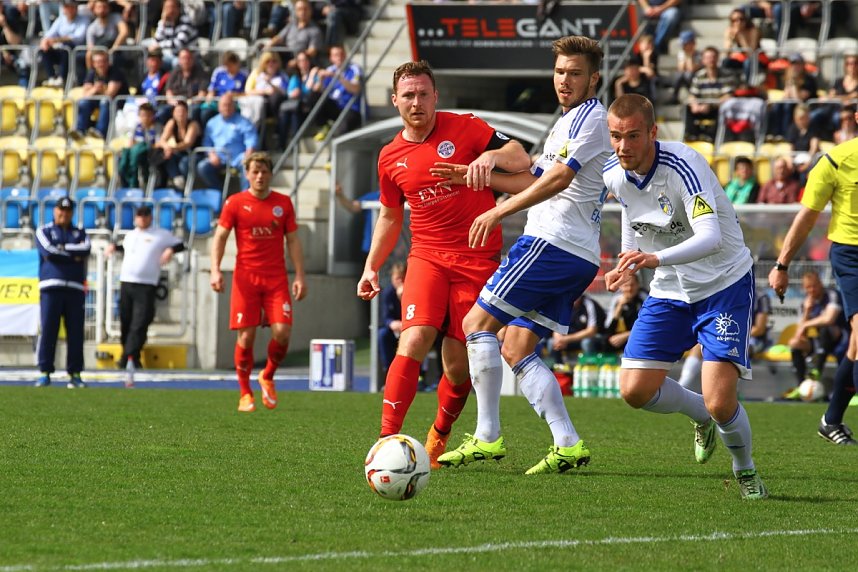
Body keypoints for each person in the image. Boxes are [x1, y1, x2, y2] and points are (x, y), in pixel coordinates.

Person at [435, 36, 611, 475]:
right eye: (559, 72)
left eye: (574, 73)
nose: (564, 80)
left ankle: (488, 437)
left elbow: (556, 182)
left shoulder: (592, 119)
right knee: (515, 345)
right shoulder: (567, 121)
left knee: (475, 324)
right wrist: (471, 178)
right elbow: (533, 179)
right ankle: (567, 443)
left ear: (594, 79)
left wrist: (498, 211)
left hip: (552, 245)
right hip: (573, 252)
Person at [356, 60, 530, 467]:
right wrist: (371, 266)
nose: (416, 102)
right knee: (414, 338)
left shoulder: (466, 127)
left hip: (477, 256)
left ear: (436, 97)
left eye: (423, 94)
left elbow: (520, 159)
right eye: (408, 95)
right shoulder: (388, 157)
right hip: (427, 257)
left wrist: (489, 160)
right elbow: (390, 216)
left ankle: (439, 433)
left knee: (456, 368)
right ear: (395, 101)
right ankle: (386, 443)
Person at [603, 93, 767, 500]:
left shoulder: (684, 164)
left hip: (723, 283)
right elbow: (629, 209)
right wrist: (627, 261)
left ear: (653, 133)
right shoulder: (615, 173)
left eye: (633, 136)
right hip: (671, 290)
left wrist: (652, 257)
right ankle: (699, 416)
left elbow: (710, 236)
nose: (623, 146)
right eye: (616, 137)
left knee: (720, 400)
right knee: (634, 391)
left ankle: (745, 471)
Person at [769, 124, 858, 445]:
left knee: (855, 346)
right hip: (852, 256)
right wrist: (781, 265)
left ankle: (831, 420)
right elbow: (807, 215)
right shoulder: (834, 161)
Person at [210, 151, 307, 412]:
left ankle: (267, 375)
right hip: (246, 278)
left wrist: (299, 274)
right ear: (247, 174)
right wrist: (215, 270)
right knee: (246, 336)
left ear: (270, 174)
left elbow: (294, 240)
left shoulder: (283, 203)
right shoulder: (235, 203)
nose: (260, 176)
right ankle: (245, 393)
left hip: (276, 278)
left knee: (283, 332)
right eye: (255, 171)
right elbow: (220, 237)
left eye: (264, 171)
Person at [105, 205, 185, 379]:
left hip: (146, 284)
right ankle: (133, 355)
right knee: (126, 321)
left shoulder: (160, 234)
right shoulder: (131, 235)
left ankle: (127, 357)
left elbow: (180, 244)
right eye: (139, 215)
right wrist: (114, 248)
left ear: (150, 217)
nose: (142, 218)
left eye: (145, 215)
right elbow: (125, 249)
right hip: (127, 282)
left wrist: (170, 250)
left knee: (140, 322)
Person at [34, 197, 91, 389]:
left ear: (72, 213)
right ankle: (45, 371)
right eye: (60, 210)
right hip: (51, 286)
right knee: (49, 330)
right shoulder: (43, 230)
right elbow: (48, 252)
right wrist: (72, 255)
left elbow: (85, 249)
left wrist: (63, 250)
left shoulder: (80, 231)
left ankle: (75, 373)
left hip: (75, 288)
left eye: (67, 211)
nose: (63, 214)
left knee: (75, 332)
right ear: (54, 211)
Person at [679, 289, 772, 390]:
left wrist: (734, 335)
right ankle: (683, 383)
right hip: (726, 335)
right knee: (698, 346)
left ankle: (726, 389)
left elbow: (759, 328)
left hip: (752, 339)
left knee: (736, 348)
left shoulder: (761, 297)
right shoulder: (725, 292)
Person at [783, 271, 845, 390]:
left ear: (820, 284)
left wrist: (806, 324)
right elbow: (799, 335)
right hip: (820, 342)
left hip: (839, 339)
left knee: (825, 329)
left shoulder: (831, 295)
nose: (811, 290)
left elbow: (829, 319)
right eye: (808, 287)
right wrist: (807, 311)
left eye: (814, 286)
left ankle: (817, 368)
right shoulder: (805, 303)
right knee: (795, 344)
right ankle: (801, 386)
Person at [197, 92, 259, 192]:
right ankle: (219, 193)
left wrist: (248, 154)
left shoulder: (244, 122)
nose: (226, 108)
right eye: (224, 105)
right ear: (219, 107)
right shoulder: (212, 123)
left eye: (229, 105)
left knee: (249, 166)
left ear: (234, 106)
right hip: (219, 157)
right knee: (202, 167)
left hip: (239, 157)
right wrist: (211, 155)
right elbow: (207, 142)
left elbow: (251, 140)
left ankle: (245, 196)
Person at [70, 48, 129, 140]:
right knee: (83, 102)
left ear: (108, 62)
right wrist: (95, 89)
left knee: (104, 102)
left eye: (103, 61)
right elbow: (85, 94)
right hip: (99, 100)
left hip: (117, 104)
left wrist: (98, 90)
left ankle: (100, 132)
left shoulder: (116, 73)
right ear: (93, 63)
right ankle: (79, 131)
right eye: (97, 62)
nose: (100, 64)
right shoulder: (92, 73)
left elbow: (110, 95)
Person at [685, 46, 738, 142]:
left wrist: (711, 105)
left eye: (713, 57)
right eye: (708, 57)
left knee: (723, 110)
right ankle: (692, 135)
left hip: (716, 108)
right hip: (701, 108)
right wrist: (694, 105)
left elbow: (728, 95)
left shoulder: (726, 75)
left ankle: (711, 137)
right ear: (703, 60)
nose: (711, 60)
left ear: (717, 59)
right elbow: (693, 94)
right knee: (687, 108)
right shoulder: (699, 76)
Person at [315, 44, 364, 140]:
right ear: (331, 58)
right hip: (336, 106)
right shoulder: (330, 69)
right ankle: (325, 125)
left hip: (351, 108)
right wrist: (320, 79)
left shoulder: (354, 69)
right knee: (314, 96)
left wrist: (339, 77)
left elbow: (356, 89)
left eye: (341, 54)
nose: (339, 57)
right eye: (336, 55)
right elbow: (319, 92)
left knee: (340, 133)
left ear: (345, 55)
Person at [38, 0, 88, 87]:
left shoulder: (84, 19)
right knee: (44, 49)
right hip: (61, 51)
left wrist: (57, 40)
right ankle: (51, 78)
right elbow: (49, 34)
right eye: (66, 7)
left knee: (67, 46)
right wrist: (45, 41)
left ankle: (61, 78)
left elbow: (78, 37)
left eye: (71, 7)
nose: (68, 10)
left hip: (75, 51)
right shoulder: (60, 20)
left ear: (76, 8)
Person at [550, 295, 607, 364]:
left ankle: (590, 367)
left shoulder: (589, 304)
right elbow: (556, 326)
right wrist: (558, 338)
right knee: (552, 342)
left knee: (586, 343)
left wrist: (566, 339)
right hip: (570, 339)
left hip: (593, 337)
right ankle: (558, 368)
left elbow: (592, 331)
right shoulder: (563, 305)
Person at [266, 0, 323, 68]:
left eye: (305, 9)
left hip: (302, 60)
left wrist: (296, 61)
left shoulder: (315, 30)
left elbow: (312, 52)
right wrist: (269, 45)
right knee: (269, 52)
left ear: (310, 11)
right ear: (296, 11)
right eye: (300, 9)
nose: (303, 12)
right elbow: (279, 38)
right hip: (286, 55)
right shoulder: (291, 25)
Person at [158, 100, 201, 191]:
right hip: (179, 152)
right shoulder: (172, 123)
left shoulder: (193, 124)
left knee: (184, 163)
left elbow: (187, 143)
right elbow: (162, 140)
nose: (180, 114)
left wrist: (172, 148)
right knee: (165, 156)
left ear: (187, 113)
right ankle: (176, 180)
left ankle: (185, 188)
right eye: (178, 111)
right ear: (173, 113)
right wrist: (167, 147)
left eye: (183, 111)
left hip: (194, 154)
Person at [118, 102, 161, 188]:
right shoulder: (136, 126)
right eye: (143, 115)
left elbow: (157, 144)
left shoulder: (157, 127)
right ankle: (126, 185)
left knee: (137, 150)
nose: (145, 118)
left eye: (148, 115)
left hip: (149, 153)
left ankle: (134, 184)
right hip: (135, 153)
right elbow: (131, 142)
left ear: (152, 116)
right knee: (124, 157)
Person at [604, 273, 648, 354]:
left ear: (638, 285)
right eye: (626, 286)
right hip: (622, 336)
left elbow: (649, 327)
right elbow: (608, 327)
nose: (629, 289)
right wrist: (619, 307)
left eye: (632, 285)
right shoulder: (617, 299)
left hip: (639, 336)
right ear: (620, 287)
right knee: (605, 340)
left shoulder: (645, 298)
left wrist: (626, 335)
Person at [333, 182, 378, 256]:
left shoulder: (401, 197)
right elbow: (353, 206)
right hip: (370, 249)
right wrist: (340, 195)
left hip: (396, 251)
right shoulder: (373, 197)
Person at [378, 262, 406, 380]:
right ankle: (388, 372)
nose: (399, 281)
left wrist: (402, 297)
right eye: (397, 278)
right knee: (382, 335)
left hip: (410, 327)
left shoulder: (412, 291)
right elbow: (385, 317)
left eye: (402, 278)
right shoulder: (388, 293)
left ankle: (421, 377)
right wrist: (391, 323)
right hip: (395, 330)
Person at [153, 0, 198, 71]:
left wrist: (159, 46)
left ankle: (176, 82)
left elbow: (178, 43)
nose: (170, 10)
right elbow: (157, 40)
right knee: (153, 60)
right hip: (172, 55)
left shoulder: (186, 21)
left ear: (178, 9)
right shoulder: (166, 21)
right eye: (166, 8)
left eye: (172, 7)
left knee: (176, 62)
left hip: (189, 57)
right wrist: (162, 22)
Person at [84, 0, 129, 71]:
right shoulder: (91, 28)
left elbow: (124, 32)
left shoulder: (116, 17)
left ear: (109, 8)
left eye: (104, 7)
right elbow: (90, 48)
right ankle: (91, 76)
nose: (102, 10)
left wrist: (114, 48)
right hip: (100, 52)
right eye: (99, 7)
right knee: (88, 55)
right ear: (94, 10)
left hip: (117, 52)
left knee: (114, 59)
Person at [670, 30, 701, 105]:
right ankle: (674, 97)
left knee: (689, 74)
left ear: (692, 43)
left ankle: (695, 95)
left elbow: (692, 68)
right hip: (684, 77)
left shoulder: (699, 55)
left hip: (695, 78)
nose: (683, 47)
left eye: (685, 44)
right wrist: (686, 57)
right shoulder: (681, 54)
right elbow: (680, 69)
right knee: (678, 75)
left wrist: (690, 56)